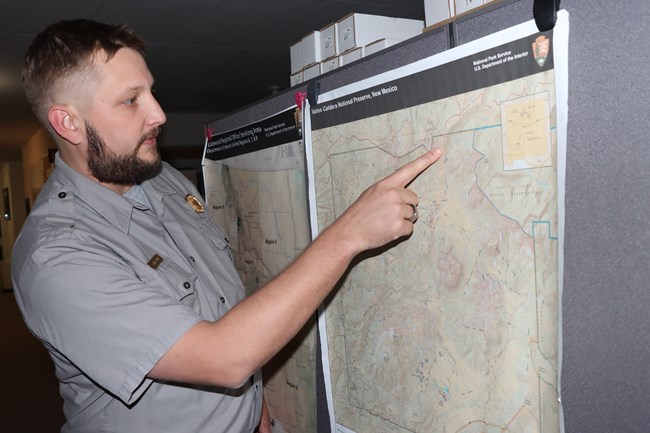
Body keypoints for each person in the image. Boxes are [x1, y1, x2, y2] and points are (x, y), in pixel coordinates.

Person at [11, 18, 442, 433]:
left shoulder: (159, 179)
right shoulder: (56, 255)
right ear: (67, 122)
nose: (159, 114)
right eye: (131, 100)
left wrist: (253, 403)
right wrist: (349, 234)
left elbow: (215, 298)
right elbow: (223, 357)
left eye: (152, 93)